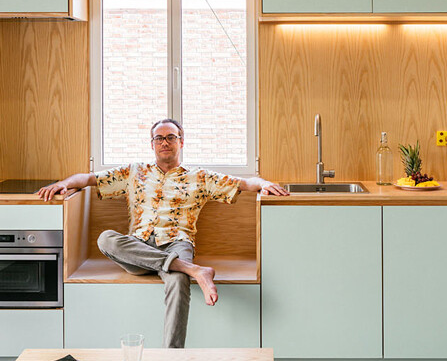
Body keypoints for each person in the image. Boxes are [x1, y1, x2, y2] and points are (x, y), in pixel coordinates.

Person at [39, 118, 289, 348]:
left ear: (181, 141)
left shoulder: (199, 177)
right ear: (152, 144)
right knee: (106, 239)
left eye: (170, 137)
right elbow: (88, 179)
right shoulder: (134, 172)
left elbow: (244, 184)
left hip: (177, 244)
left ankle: (172, 357)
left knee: (178, 279)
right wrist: (63, 184)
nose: (164, 142)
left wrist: (264, 184)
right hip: (138, 248)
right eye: (159, 138)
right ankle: (193, 270)